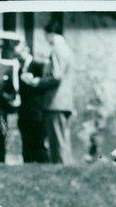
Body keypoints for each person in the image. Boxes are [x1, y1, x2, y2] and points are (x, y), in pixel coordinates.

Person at [14, 40, 55, 163]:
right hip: (24, 110)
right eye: (17, 55)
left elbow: (46, 83)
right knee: (26, 141)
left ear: (26, 50)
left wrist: (35, 81)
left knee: (38, 141)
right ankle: (28, 164)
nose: (18, 57)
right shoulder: (19, 69)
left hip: (37, 110)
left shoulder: (38, 66)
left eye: (19, 53)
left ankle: (44, 165)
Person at [43, 21, 75, 164]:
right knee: (64, 138)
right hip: (66, 102)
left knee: (57, 140)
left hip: (55, 101)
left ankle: (61, 168)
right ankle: (66, 169)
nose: (46, 40)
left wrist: (38, 81)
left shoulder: (57, 49)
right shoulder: (68, 49)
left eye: (46, 36)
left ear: (50, 34)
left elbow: (56, 75)